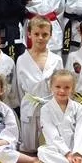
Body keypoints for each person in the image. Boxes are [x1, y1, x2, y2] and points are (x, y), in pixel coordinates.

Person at [15, 17, 63, 154]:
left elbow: (60, 86)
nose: (40, 38)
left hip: (50, 105)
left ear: (51, 36)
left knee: (51, 147)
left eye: (45, 34)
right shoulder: (21, 59)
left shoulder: (56, 59)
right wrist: (23, 104)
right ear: (29, 34)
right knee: (29, 148)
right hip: (30, 106)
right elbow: (18, 88)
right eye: (36, 34)